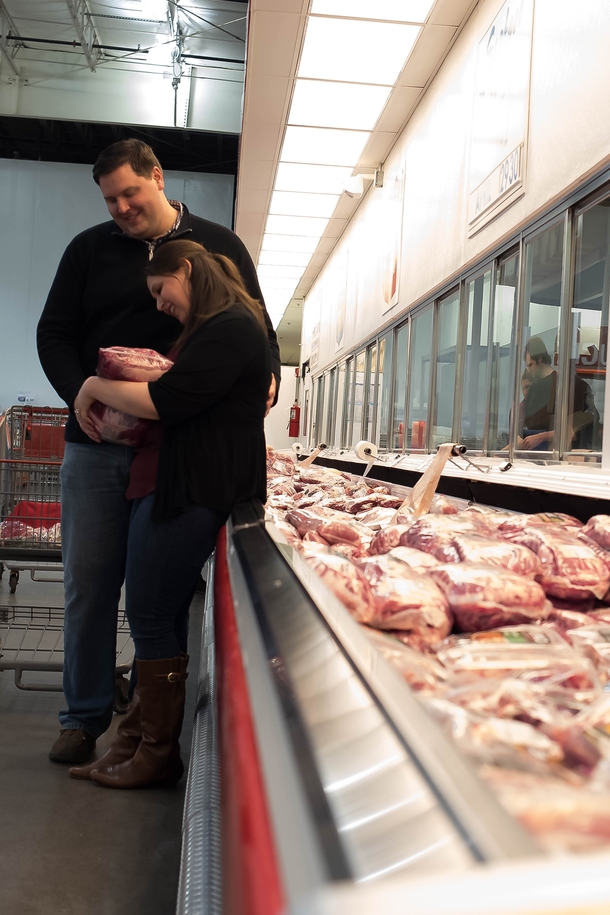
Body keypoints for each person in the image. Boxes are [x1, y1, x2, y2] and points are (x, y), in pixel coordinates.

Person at [37, 139, 280, 765]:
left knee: (156, 591)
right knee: (90, 585)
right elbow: (54, 332)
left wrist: (269, 375)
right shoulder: (88, 250)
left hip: (176, 448)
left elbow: (260, 323)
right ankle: (84, 716)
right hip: (95, 446)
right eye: (110, 199)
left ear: (158, 178)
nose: (121, 208)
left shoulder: (218, 246)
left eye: (130, 193)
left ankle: (149, 730)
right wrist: (81, 399)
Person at [67, 239, 270, 788]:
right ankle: (133, 742)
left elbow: (170, 401)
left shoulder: (231, 326)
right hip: (182, 481)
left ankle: (156, 753)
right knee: (156, 613)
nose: (158, 305)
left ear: (185, 269)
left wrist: (92, 386)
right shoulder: (215, 328)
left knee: (151, 614)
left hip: (192, 486)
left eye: (161, 290)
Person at [520, 336, 597, 451]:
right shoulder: (534, 389)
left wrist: (541, 437)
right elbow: (525, 432)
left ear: (540, 359)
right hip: (534, 457)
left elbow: (578, 430)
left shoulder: (574, 386)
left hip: (563, 457)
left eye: (530, 365)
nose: (529, 370)